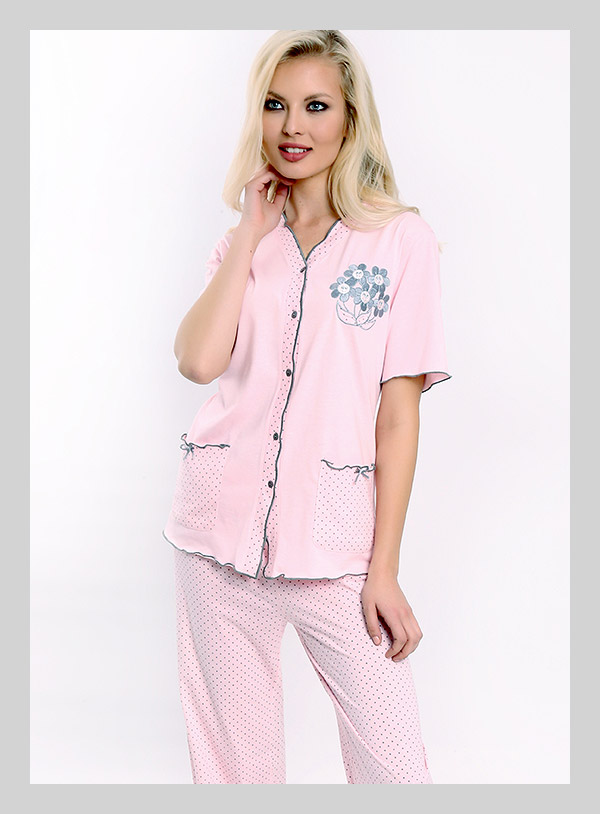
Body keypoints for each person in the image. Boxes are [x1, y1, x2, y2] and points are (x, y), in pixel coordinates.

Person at [163, 29, 452, 784]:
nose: (292, 126)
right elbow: (197, 361)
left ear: (350, 116)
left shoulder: (402, 242)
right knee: (236, 772)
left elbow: (399, 416)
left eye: (316, 106)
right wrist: (249, 231)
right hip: (217, 537)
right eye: (275, 105)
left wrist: (383, 569)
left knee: (395, 769)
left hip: (337, 548)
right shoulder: (244, 242)